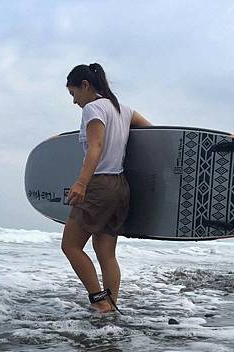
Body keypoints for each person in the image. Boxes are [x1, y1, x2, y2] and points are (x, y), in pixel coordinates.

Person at [61, 63, 152, 314]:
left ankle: (99, 301)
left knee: (70, 246)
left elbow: (96, 147)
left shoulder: (93, 108)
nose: (74, 102)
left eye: (73, 94)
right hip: (120, 185)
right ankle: (111, 304)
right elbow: (153, 132)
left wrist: (81, 183)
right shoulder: (124, 110)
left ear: (85, 86)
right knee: (106, 252)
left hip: (99, 184)